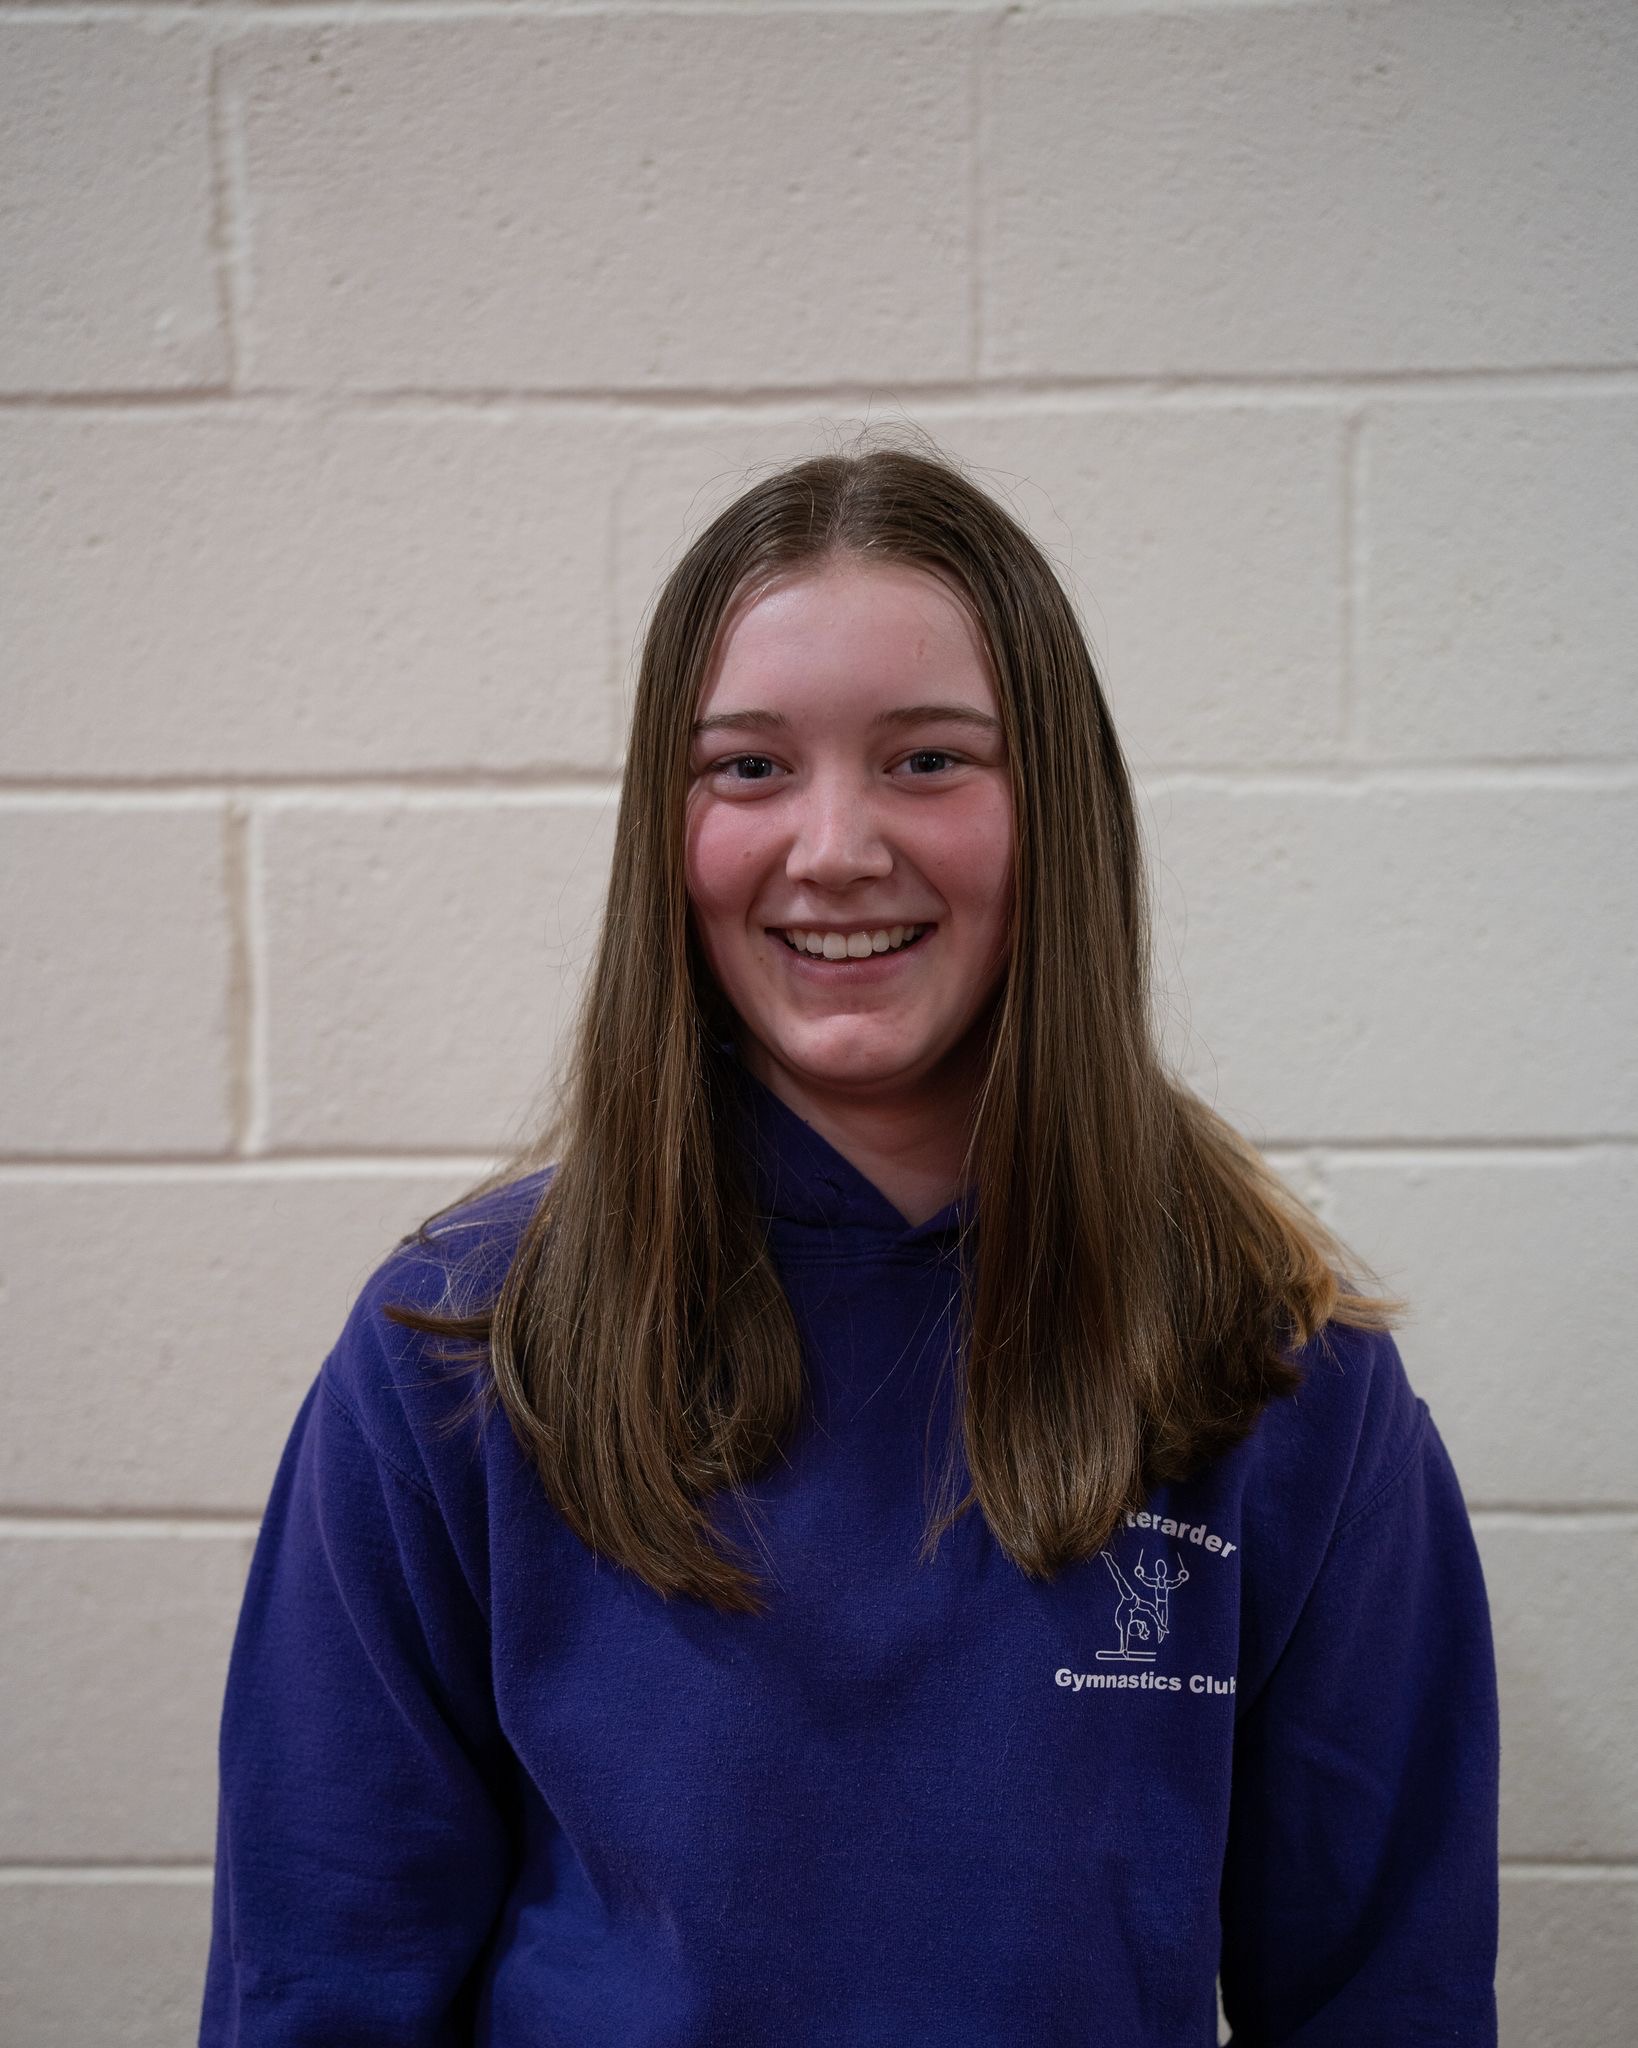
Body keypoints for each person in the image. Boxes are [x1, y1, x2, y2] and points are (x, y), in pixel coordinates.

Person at [198, 435, 1501, 2045]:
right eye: (748, 769)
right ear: (664, 831)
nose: (832, 848)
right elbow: (318, 1985)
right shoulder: (464, 1350)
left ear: (1056, 812)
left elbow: (1389, 2003)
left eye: (928, 760)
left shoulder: (1279, 1370)